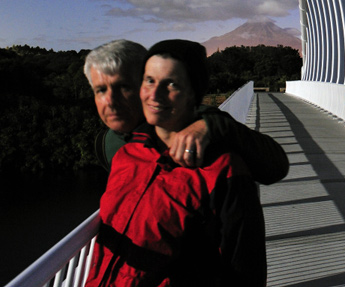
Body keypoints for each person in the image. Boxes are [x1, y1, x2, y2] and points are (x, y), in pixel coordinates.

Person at [85, 40, 267, 287]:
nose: (155, 94)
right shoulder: (127, 155)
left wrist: (213, 124)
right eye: (149, 81)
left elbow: (245, 271)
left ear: (194, 93)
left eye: (171, 84)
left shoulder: (222, 170)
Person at [84, 39, 289, 184]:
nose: (110, 101)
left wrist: (212, 125)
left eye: (124, 87)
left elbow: (275, 166)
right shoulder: (108, 144)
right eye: (100, 90)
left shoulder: (195, 123)